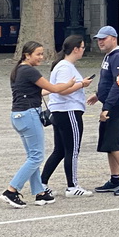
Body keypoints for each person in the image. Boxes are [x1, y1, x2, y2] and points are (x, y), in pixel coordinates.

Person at [2, 40, 91, 208]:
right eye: (38, 54)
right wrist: (74, 84)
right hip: (28, 115)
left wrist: (61, 86)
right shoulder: (29, 70)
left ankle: (40, 192)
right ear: (27, 55)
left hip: (19, 115)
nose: (41, 57)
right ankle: (11, 190)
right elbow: (55, 89)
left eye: (42, 53)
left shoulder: (19, 70)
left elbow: (43, 90)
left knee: (32, 157)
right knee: (36, 156)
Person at [41, 35, 94, 197]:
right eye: (83, 47)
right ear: (76, 49)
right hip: (68, 110)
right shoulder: (65, 67)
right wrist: (81, 84)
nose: (83, 51)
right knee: (72, 149)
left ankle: (41, 182)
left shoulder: (63, 65)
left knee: (60, 150)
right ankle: (72, 186)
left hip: (60, 111)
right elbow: (62, 90)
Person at [89, 26, 119, 195]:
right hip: (112, 103)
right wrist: (98, 94)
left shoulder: (118, 57)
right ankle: (115, 178)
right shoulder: (110, 56)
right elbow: (109, 81)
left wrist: (107, 107)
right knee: (108, 143)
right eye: (98, 39)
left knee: (114, 141)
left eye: (104, 38)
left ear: (114, 38)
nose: (100, 42)